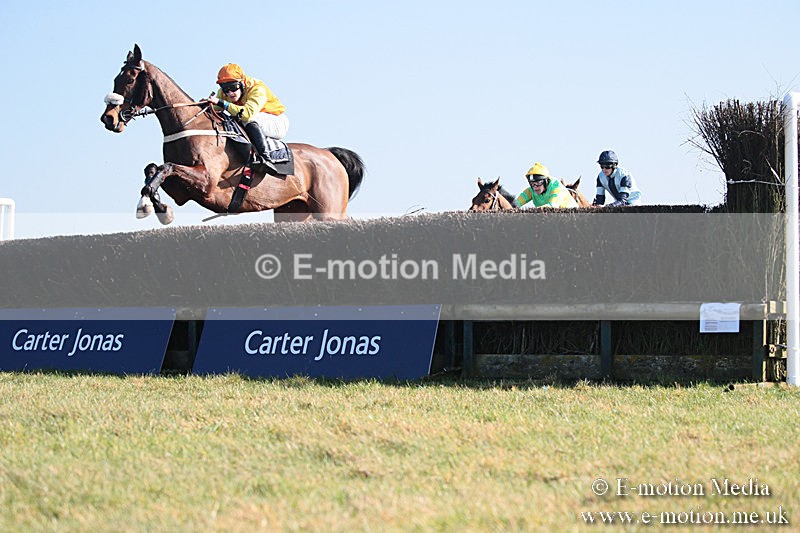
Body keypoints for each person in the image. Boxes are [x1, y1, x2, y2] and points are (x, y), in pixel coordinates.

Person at [208, 63, 289, 169]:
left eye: (233, 87)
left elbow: (246, 114)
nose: (230, 93)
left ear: (241, 83)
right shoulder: (224, 92)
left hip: (276, 121)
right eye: (225, 89)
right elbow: (214, 110)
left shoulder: (257, 88)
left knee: (247, 119)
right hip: (254, 121)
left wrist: (222, 103)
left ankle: (265, 158)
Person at [514, 163, 579, 209]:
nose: (535, 187)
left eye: (538, 183)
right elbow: (515, 205)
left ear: (546, 181)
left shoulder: (557, 188)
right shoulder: (531, 190)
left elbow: (553, 206)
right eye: (532, 183)